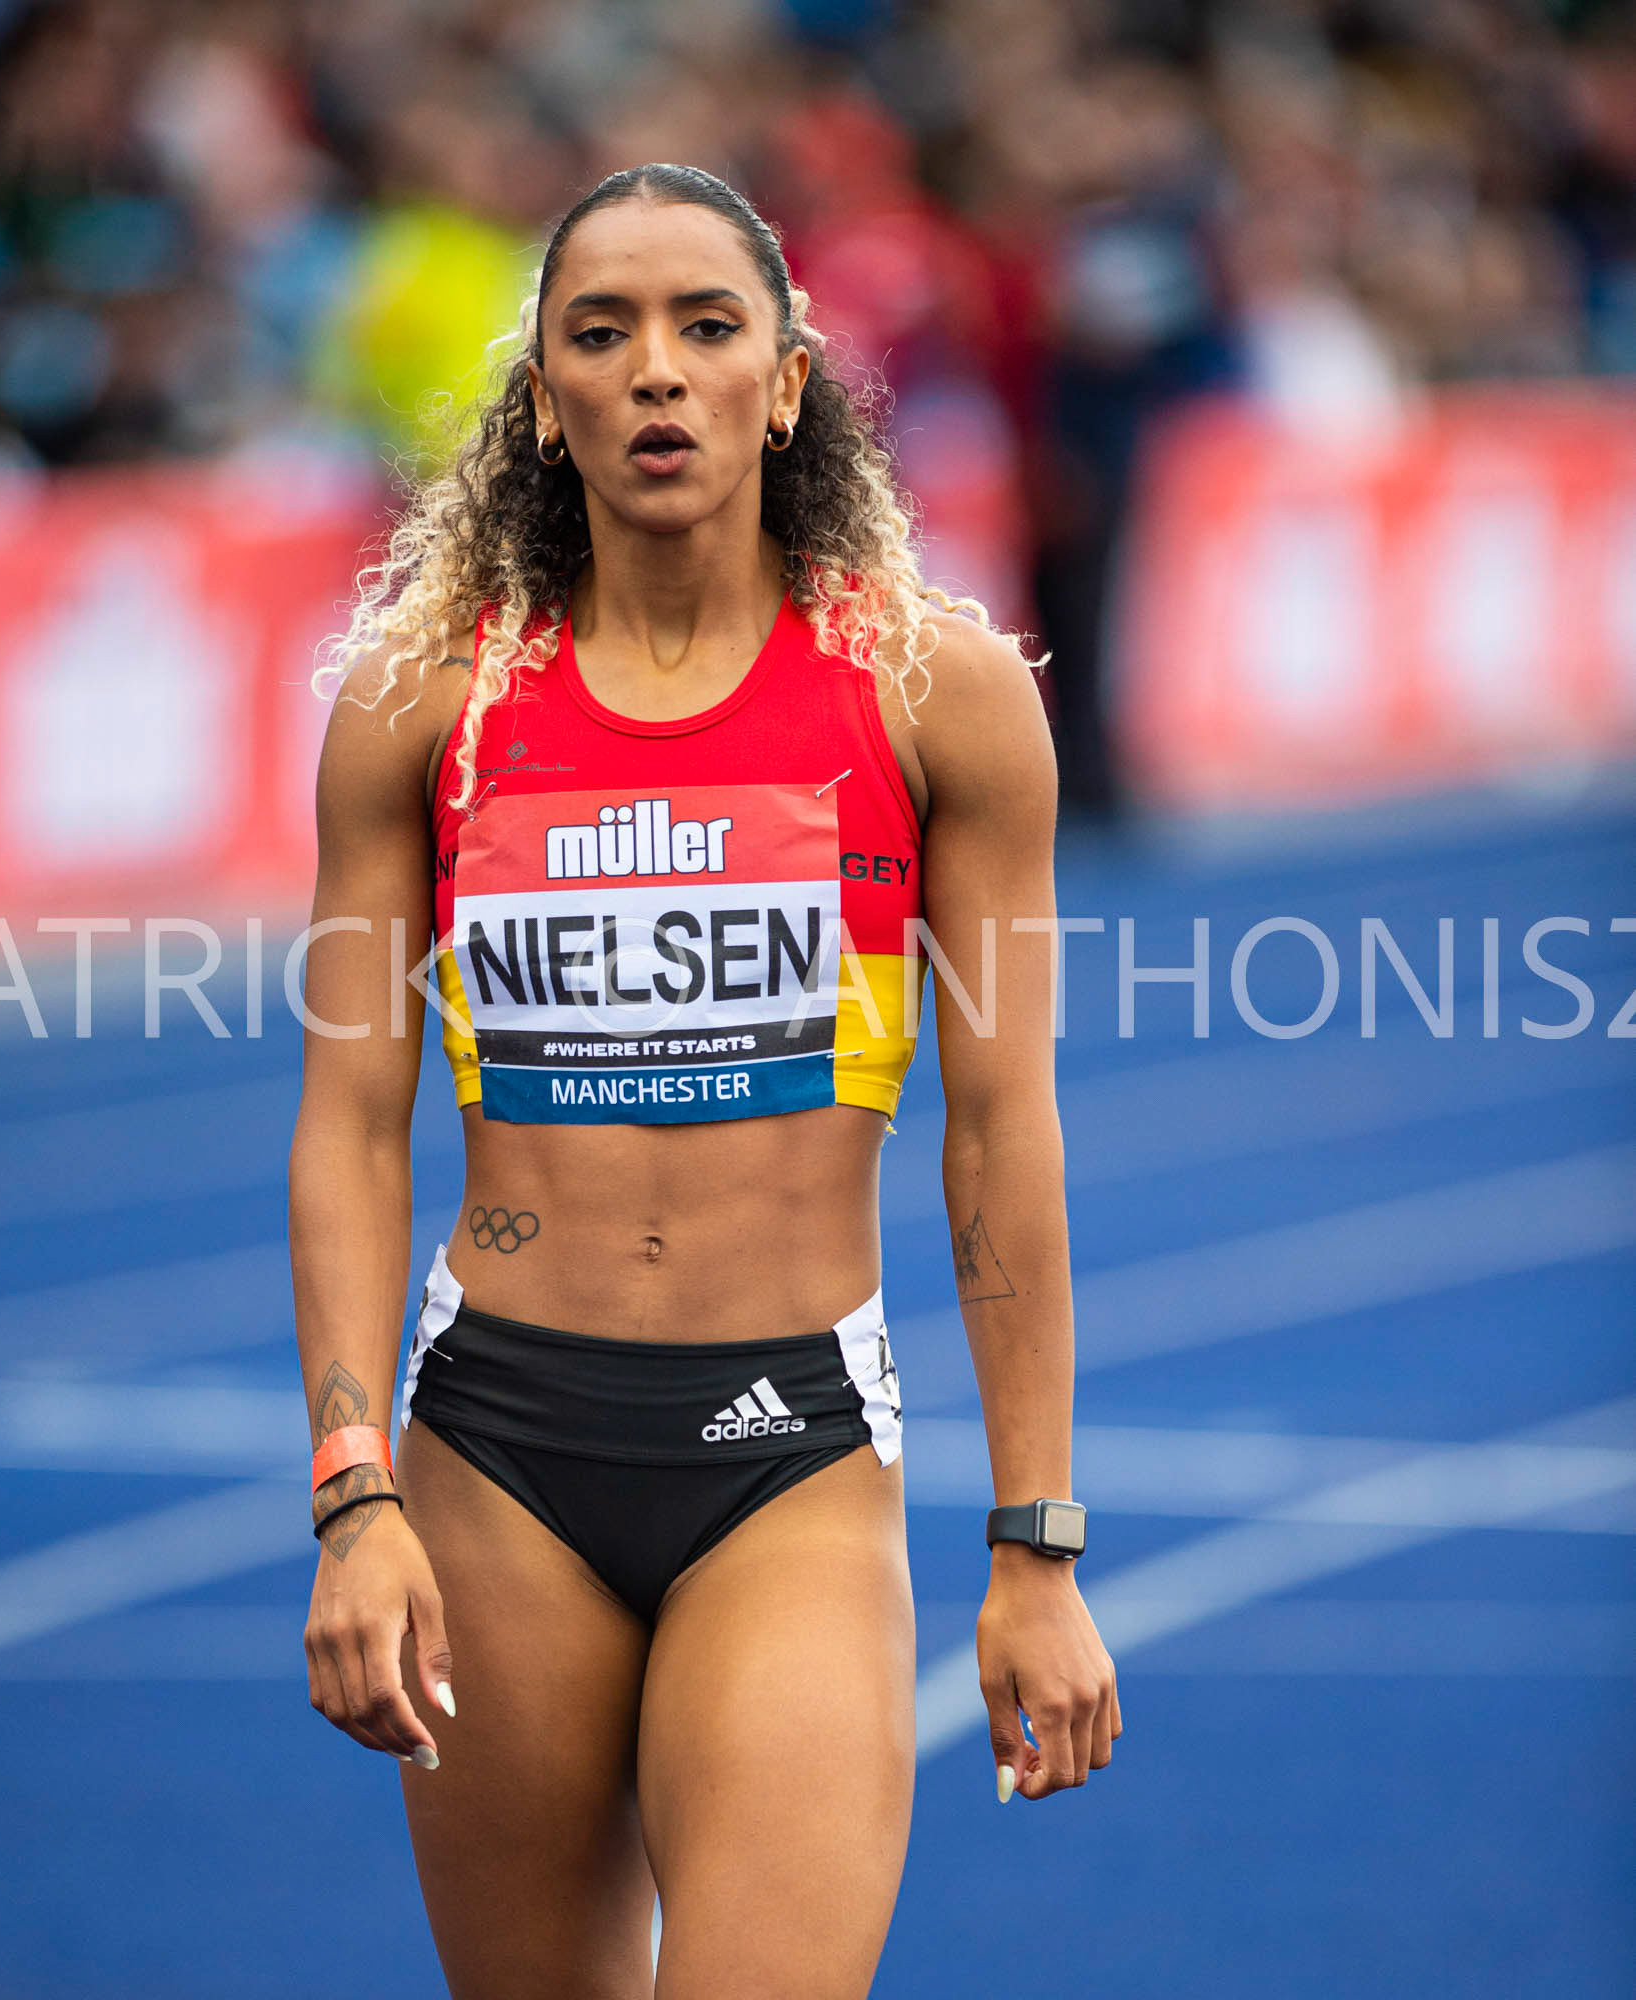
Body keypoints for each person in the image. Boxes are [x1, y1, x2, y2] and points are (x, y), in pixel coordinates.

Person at [290, 161, 1120, 2000]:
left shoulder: (937, 695)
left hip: (792, 1454)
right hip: (493, 1454)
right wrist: (354, 1497)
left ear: (789, 379)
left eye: (706, 325)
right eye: (602, 334)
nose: (655, 369)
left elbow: (1002, 1136)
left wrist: (1038, 1544)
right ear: (544, 399)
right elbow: (349, 1128)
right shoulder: (424, 704)